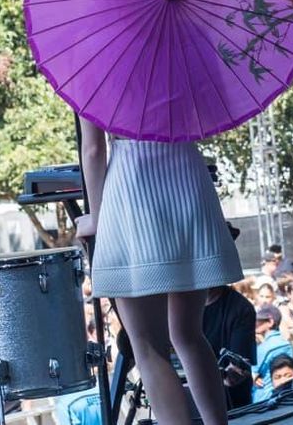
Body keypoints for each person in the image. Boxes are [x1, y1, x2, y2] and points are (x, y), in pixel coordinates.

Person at [76, 118, 243, 425]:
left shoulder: (96, 72)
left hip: (134, 188)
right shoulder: (184, 66)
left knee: (149, 347)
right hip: (187, 176)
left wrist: (97, 219)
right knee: (188, 333)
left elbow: (93, 149)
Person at [202, 285, 256, 409]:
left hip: (228, 403)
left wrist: (230, 376)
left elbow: (239, 368)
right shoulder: (179, 303)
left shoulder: (240, 308)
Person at [251, 306, 293, 403]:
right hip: (287, 394)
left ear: (270, 322)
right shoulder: (286, 343)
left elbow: (251, 377)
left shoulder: (264, 348)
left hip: (264, 399)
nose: (254, 323)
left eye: (258, 320)